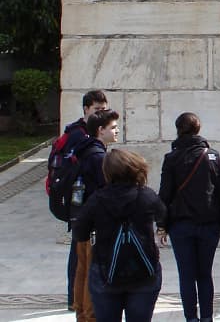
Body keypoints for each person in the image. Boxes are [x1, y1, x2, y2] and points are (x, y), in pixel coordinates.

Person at [73, 148, 166, 322]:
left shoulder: (97, 199)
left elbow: (80, 232)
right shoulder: (146, 196)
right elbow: (164, 215)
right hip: (144, 272)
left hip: (105, 271)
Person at [157, 112, 220, 322]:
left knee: (187, 275)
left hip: (180, 225)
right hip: (208, 224)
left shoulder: (171, 158)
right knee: (205, 274)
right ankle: (207, 318)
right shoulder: (212, 156)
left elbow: (165, 193)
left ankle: (191, 318)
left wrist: (161, 225)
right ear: (198, 129)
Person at [56, 89, 108, 312]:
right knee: (80, 255)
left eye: (104, 110)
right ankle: (77, 300)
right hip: (82, 204)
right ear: (86, 109)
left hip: (82, 205)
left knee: (81, 254)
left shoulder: (82, 135)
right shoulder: (80, 136)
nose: (102, 114)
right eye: (98, 110)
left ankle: (78, 300)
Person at [71, 108, 120, 322]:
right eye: (113, 128)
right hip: (95, 225)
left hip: (82, 220)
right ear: (101, 130)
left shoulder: (82, 150)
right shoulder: (99, 157)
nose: (117, 131)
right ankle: (89, 316)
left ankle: (81, 312)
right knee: (93, 273)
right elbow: (105, 194)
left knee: (82, 269)